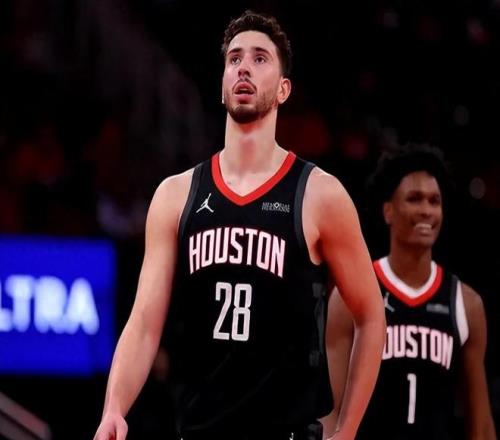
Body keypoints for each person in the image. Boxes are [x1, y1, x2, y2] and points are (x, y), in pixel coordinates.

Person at [93, 10, 386, 440]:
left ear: (283, 89)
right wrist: (114, 408)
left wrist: (347, 430)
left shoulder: (320, 195)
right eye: (234, 59)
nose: (244, 67)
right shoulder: (175, 195)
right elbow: (143, 323)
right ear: (222, 84)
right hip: (199, 430)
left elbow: (371, 315)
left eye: (260, 58)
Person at [323, 143, 497, 439]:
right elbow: (330, 409)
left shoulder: (465, 304)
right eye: (414, 199)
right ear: (388, 211)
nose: (426, 210)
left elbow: (480, 426)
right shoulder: (351, 295)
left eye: (434, 201)